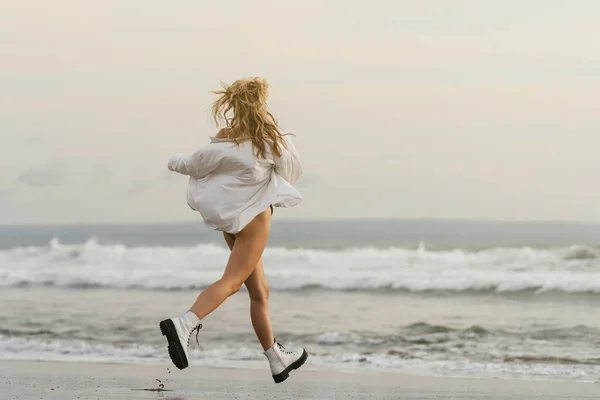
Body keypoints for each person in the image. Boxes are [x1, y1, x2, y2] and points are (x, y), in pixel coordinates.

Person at [159, 77, 307, 384]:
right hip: (255, 220)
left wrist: (174, 162)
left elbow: (195, 165)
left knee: (259, 291)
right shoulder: (269, 138)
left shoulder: (226, 136)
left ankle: (276, 358)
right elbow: (291, 172)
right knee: (232, 281)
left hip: (231, 223)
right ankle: (185, 323)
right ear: (261, 104)